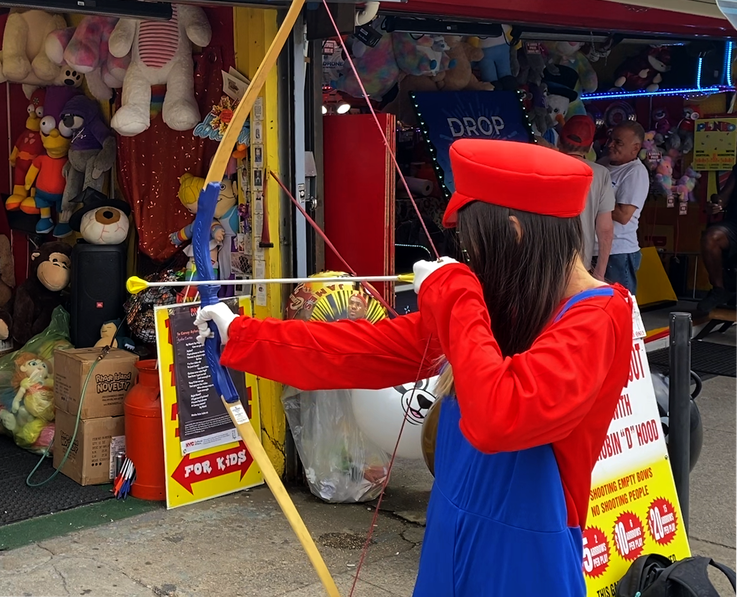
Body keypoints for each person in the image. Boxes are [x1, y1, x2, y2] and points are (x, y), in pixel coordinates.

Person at [196, 139, 634, 597]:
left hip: (522, 564)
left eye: (474, 245)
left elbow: (502, 415)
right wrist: (241, 336)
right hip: (449, 540)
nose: (471, 259)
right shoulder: (500, 307)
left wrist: (454, 293)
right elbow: (364, 350)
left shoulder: (596, 318)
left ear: (514, 233)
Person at [558, 115, 614, 280]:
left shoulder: (541, 166)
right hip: (581, 265)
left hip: (542, 263)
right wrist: (599, 274)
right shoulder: (600, 174)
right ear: (590, 147)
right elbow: (605, 229)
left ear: (559, 141)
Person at [600, 121, 648, 294]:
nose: (611, 145)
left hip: (618, 251)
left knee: (621, 308)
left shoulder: (635, 172)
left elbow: (623, 215)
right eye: (611, 140)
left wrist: (595, 198)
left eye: (618, 142)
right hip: (596, 248)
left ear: (635, 148)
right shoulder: (603, 163)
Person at [694, 163, 737, 318]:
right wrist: (716, 204)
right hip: (734, 226)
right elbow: (723, 198)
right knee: (711, 238)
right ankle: (719, 289)